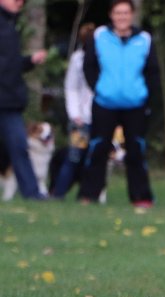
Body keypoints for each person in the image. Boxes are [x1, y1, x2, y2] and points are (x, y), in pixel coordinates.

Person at [79, 0, 158, 208]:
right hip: (105, 103)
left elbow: (153, 71)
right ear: (111, 15)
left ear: (131, 15)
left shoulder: (145, 39)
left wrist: (145, 95)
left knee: (136, 150)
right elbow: (88, 66)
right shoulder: (99, 36)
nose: (122, 17)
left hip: (135, 105)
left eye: (126, 13)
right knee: (98, 148)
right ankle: (89, 195)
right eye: (118, 13)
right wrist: (100, 89)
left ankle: (141, 197)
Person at [0, 0, 48, 200]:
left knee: (19, 146)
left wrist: (29, 61)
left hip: (9, 100)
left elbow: (10, 65)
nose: (20, 2)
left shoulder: (10, 25)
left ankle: (32, 193)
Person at [51, 22, 95, 199]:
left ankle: (87, 195)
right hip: (82, 119)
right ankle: (58, 193)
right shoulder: (78, 59)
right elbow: (71, 87)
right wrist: (75, 114)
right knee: (73, 158)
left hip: (102, 117)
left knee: (93, 160)